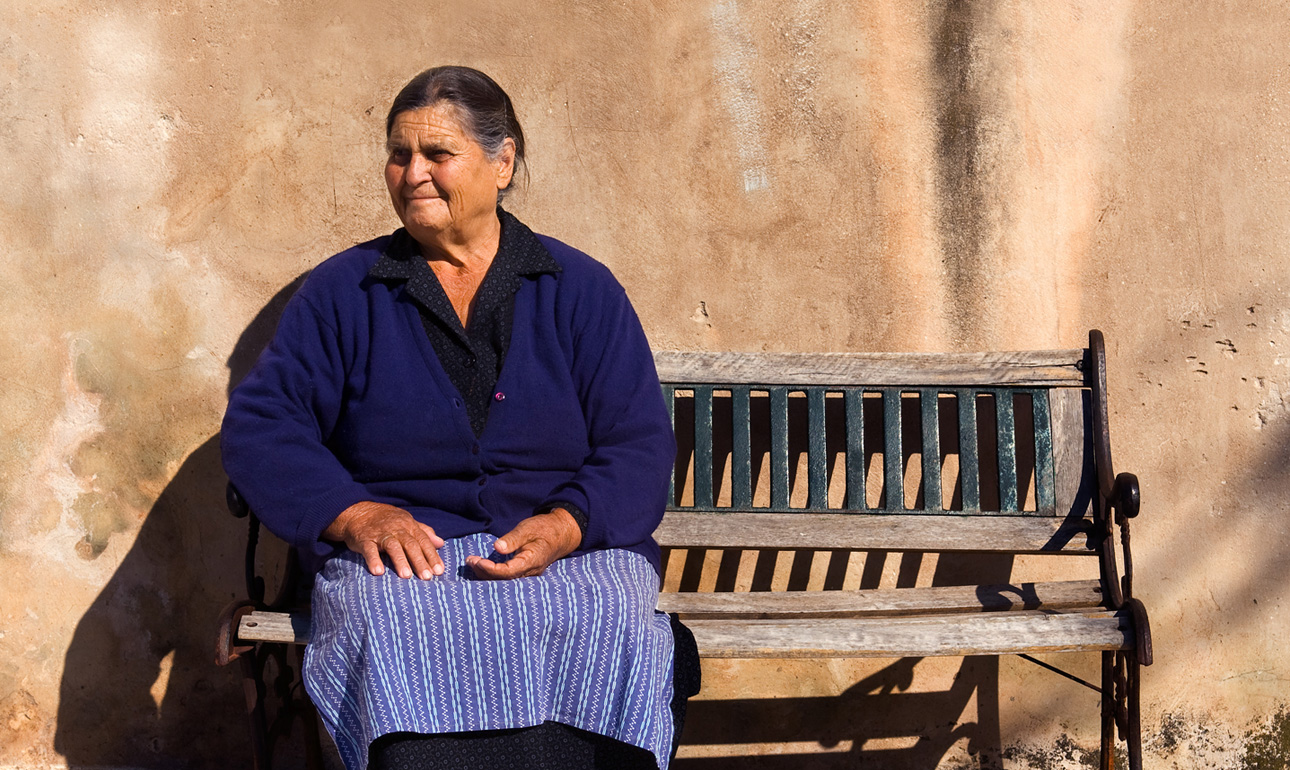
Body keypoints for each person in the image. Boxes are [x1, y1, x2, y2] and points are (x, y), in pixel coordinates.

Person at [221, 66, 695, 770]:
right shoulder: (344, 294)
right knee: (388, 618)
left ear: (501, 163)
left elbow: (637, 443)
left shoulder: (579, 290)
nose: (413, 173)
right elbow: (263, 425)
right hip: (404, 561)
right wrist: (355, 516)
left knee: (610, 610)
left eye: (437, 154)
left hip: (560, 552)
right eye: (398, 153)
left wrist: (568, 525)